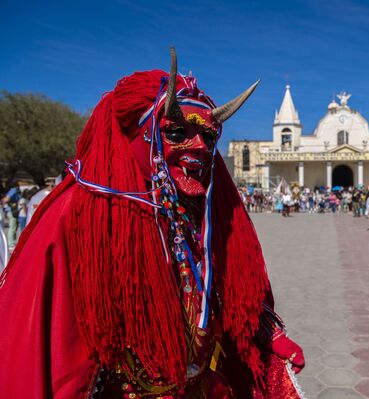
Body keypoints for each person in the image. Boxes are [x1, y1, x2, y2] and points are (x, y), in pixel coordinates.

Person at [0, 48, 305, 398]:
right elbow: (41, 346)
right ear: (137, 136)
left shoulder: (199, 211)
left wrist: (270, 336)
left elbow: (228, 290)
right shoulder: (76, 214)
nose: (200, 146)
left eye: (209, 136)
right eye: (177, 133)